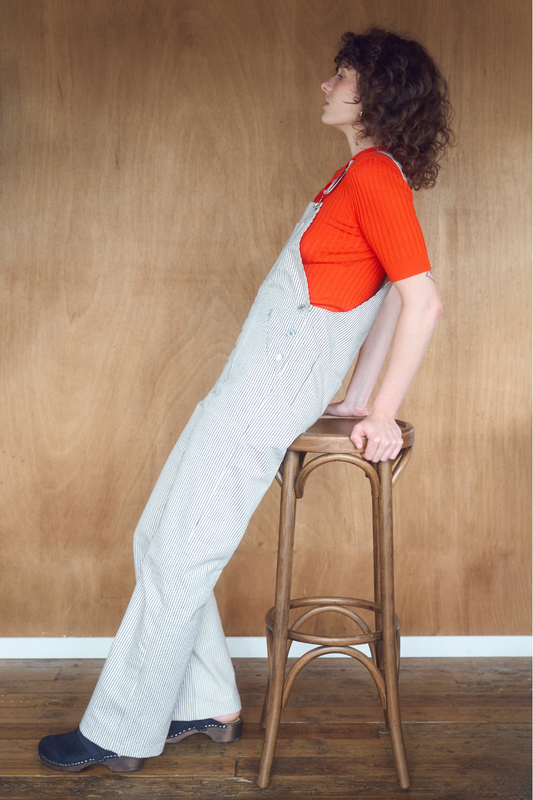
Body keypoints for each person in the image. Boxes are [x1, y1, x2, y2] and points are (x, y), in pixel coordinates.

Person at [38, 28, 453, 773]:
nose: (325, 86)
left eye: (341, 76)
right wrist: (355, 395)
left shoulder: (373, 178)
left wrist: (382, 410)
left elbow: (421, 299)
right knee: (156, 537)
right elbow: (388, 290)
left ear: (376, 94)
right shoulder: (352, 176)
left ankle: (121, 733)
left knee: (178, 552)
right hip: (246, 387)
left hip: (262, 396)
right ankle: (207, 701)